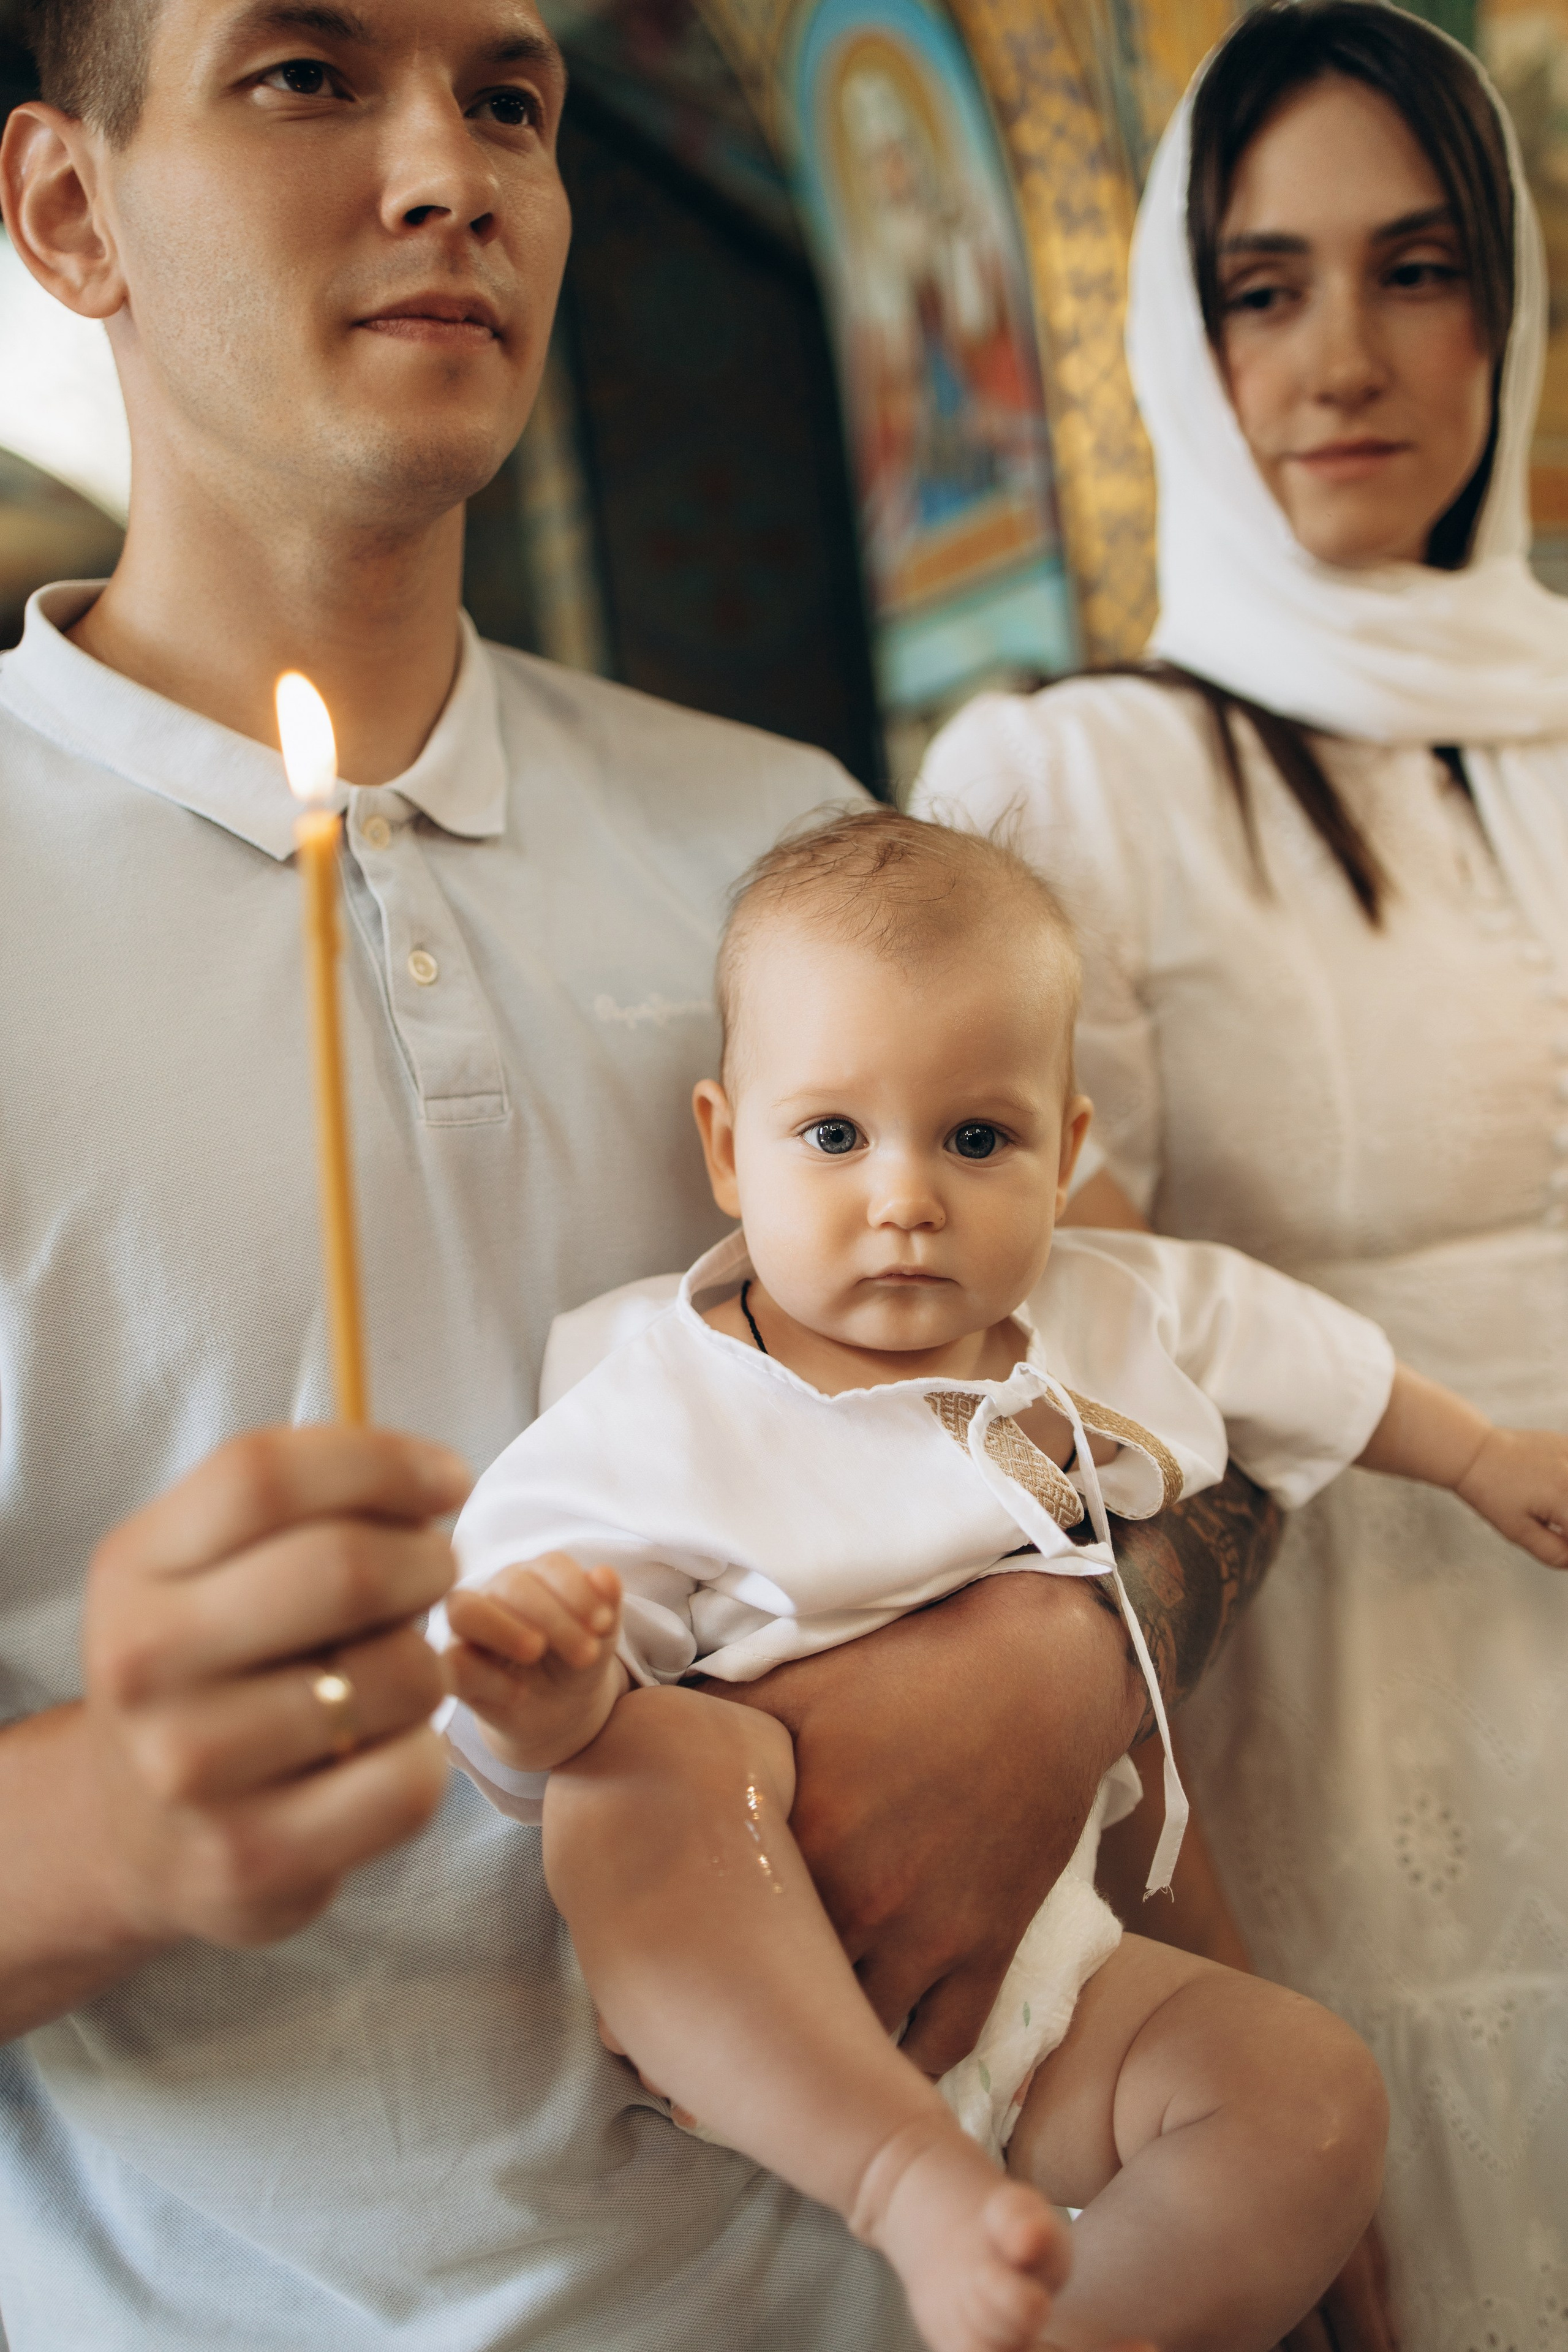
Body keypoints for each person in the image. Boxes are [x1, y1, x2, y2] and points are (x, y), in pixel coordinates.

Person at [0, 4, 1284, 2347]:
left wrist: (1079, 1647)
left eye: (509, 97)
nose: (447, 171)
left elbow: (1154, 1400)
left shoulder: (773, 842)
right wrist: (107, 1822)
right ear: (69, 208)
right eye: (305, 75)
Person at [444, 807, 1568, 2351]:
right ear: (724, 1145)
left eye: (975, 1140)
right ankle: (900, 2180)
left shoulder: (1108, 1317)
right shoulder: (661, 1402)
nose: (903, 1197)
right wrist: (545, 1695)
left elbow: (1293, 1353)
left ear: (1066, 1152)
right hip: (762, 1971)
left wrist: (1476, 1453)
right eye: (832, 1137)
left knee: (1310, 2098)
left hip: (1053, 1962)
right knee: (645, 1763)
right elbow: (523, 1627)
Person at [917, 4, 1568, 2340]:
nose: (1350, 356)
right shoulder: (1083, 787)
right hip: (1355, 1781)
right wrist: (1198, 2009)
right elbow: (1038, 1438)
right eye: (1265, 289)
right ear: (1181, 352)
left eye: (1419, 268)